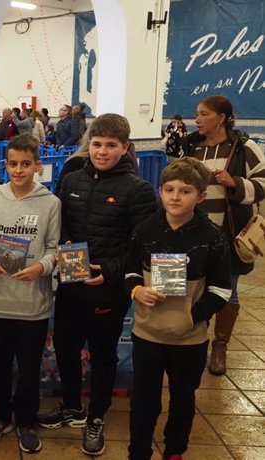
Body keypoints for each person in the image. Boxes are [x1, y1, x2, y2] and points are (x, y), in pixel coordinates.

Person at [40, 114, 156, 456]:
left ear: (124, 148)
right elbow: (59, 227)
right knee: (65, 346)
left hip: (107, 289)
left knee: (103, 356)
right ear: (87, 144)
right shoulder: (71, 178)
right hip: (72, 285)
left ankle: (95, 416)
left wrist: (111, 270)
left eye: (110, 145)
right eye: (96, 144)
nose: (102, 151)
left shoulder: (138, 190)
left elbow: (141, 245)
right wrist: (62, 254)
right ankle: (73, 406)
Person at [125, 158, 231, 460]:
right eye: (168, 189)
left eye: (185, 191)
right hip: (147, 335)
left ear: (201, 197)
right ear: (160, 192)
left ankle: (175, 451)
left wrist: (192, 317)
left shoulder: (212, 238)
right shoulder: (145, 230)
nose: (175, 197)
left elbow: (221, 290)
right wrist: (136, 289)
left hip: (189, 340)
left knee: (183, 400)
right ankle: (139, 451)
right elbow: (129, 270)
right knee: (144, 402)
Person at [0, 134, 60, 453]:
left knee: (27, 368)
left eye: (26, 164)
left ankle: (25, 419)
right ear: (5, 164)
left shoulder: (50, 203)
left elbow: (54, 249)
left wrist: (42, 267)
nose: (19, 170)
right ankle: (0, 417)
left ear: (37, 166)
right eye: (13, 164)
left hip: (33, 305)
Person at [179, 95, 265, 375]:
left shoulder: (243, 147)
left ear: (222, 118)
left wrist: (234, 182)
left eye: (203, 114)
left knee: (228, 290)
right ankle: (196, 342)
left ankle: (220, 346)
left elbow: (263, 182)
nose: (197, 119)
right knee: (195, 289)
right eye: (197, 114)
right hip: (194, 232)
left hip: (229, 232)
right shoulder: (191, 145)